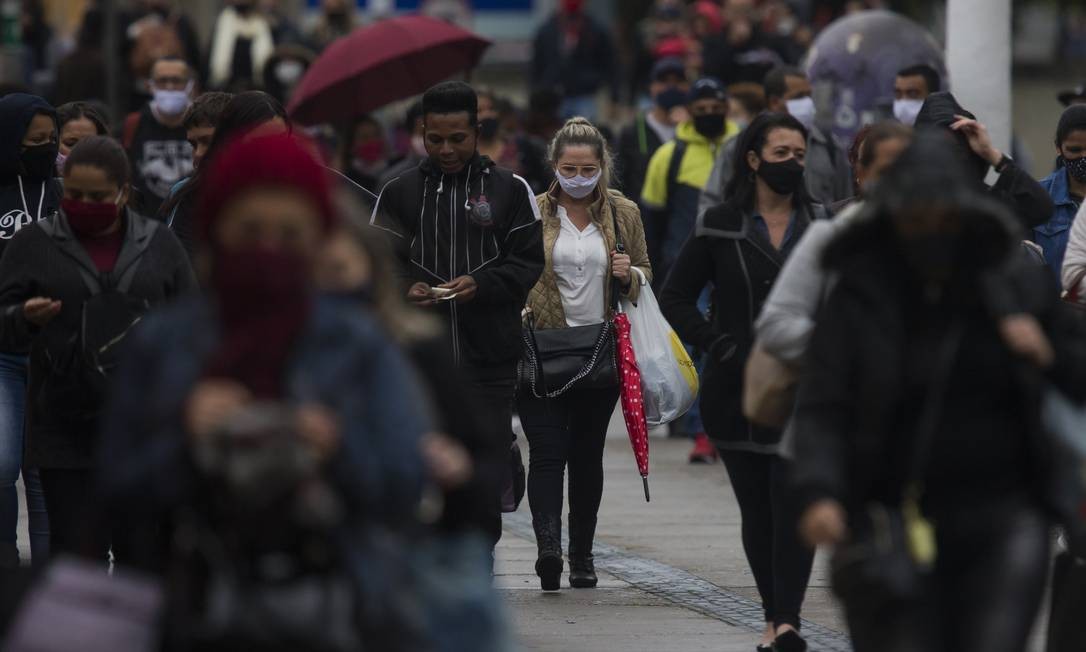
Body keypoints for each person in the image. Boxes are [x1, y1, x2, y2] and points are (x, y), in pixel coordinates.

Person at [98, 133, 430, 648]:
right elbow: (117, 487)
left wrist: (336, 446)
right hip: (193, 609)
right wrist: (185, 436)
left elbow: (404, 482)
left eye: (290, 234)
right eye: (250, 230)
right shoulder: (167, 343)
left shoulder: (355, 341)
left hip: (337, 609)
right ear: (217, 231)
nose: (269, 249)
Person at [794, 134, 1086, 652]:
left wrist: (1044, 351)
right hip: (890, 510)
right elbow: (824, 399)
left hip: (1005, 507)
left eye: (942, 216)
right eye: (915, 216)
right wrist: (820, 489)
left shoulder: (1010, 281)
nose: (929, 229)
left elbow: (1075, 374)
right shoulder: (862, 292)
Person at [660, 112, 826, 652]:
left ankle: (788, 621)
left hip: (806, 390)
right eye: (781, 154)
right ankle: (772, 616)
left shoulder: (822, 225)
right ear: (753, 159)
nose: (792, 164)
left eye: (799, 155)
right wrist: (716, 343)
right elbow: (676, 296)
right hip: (738, 389)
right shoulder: (720, 224)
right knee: (758, 507)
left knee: (794, 504)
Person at [0, 136, 194, 562]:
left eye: (98, 196)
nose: (85, 204)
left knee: (142, 555)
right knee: (74, 557)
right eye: (74, 195)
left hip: (142, 426)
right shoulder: (33, 243)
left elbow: (192, 324)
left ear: (124, 192)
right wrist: (23, 319)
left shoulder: (160, 245)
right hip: (63, 425)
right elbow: (4, 321)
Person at [371, 81, 544, 546]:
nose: (446, 149)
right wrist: (406, 289)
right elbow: (374, 265)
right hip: (416, 360)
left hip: (489, 360)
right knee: (416, 466)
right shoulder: (397, 192)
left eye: (457, 139)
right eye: (435, 139)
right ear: (422, 133)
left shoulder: (511, 189)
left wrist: (481, 285)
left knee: (480, 471)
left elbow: (528, 262)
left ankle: (476, 564)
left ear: (477, 131)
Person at [522, 118, 651, 592]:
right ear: (554, 166)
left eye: (588, 168)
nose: (579, 176)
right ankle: (549, 550)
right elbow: (512, 266)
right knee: (547, 453)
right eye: (569, 167)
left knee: (586, 455)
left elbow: (646, 270)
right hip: (539, 348)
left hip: (599, 349)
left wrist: (628, 274)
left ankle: (582, 555)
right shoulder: (531, 211)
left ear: (603, 167)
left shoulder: (622, 213)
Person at [756, 120, 911, 370]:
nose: (898, 180)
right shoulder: (829, 234)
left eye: (908, 169)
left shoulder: (943, 240)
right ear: (862, 172)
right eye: (886, 171)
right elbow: (775, 325)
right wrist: (851, 345)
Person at [0, 92, 61, 568]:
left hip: (53, 355)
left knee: (41, 473)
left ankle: (44, 577)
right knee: (1, 464)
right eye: (32, 141)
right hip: (2, 352)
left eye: (49, 140)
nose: (42, 148)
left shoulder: (63, 192)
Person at [700, 65, 852, 216]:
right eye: (798, 97)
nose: (807, 103)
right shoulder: (739, 146)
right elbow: (713, 200)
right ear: (774, 102)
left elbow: (845, 203)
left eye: (809, 96)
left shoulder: (829, 146)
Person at [160, 90, 286, 258]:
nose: (198, 154)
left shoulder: (300, 191)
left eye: (208, 141)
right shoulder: (185, 196)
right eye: (193, 144)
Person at [641, 76, 738, 284]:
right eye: (701, 109)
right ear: (689, 110)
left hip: (735, 262)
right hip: (684, 265)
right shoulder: (669, 155)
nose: (709, 114)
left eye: (716, 107)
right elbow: (653, 219)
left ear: (727, 108)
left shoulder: (744, 149)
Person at [913, 91, 1054, 230]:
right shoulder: (903, 208)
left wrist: (992, 154)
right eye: (934, 148)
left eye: (953, 150)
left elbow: (1040, 207)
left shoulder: (986, 207)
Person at [124, 56, 195, 217]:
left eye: (176, 80)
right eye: (162, 80)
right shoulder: (133, 126)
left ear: (189, 85)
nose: (169, 87)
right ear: (150, 85)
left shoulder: (204, 124)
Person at [614, 57, 690, 199]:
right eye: (664, 81)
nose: (671, 87)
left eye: (678, 81)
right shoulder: (631, 132)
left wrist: (690, 127)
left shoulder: (696, 130)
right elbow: (618, 181)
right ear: (652, 87)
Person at [531, 0, 616, 121]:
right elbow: (536, 65)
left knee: (584, 136)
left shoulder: (595, 29)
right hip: (553, 95)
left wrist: (614, 97)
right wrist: (534, 94)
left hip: (585, 95)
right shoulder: (548, 29)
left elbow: (610, 64)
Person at [1034, 105, 1086, 281]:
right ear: (1059, 148)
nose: (1083, 157)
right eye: (1075, 150)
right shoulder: (1038, 198)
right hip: (1057, 305)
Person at [476, 89, 550, 195]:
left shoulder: (524, 147)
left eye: (491, 109)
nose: (488, 115)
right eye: (479, 111)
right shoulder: (464, 155)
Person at [206, 0, 274, 91]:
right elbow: (210, 57)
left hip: (255, 86)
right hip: (227, 86)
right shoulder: (224, 22)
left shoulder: (263, 24)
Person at [380, 101, 427, 188]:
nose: (429, 139)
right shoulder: (392, 181)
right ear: (409, 134)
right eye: (422, 132)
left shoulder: (454, 174)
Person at [55, 101, 109, 175]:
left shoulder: (119, 185)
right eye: (70, 144)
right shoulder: (39, 185)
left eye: (90, 145)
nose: (80, 153)